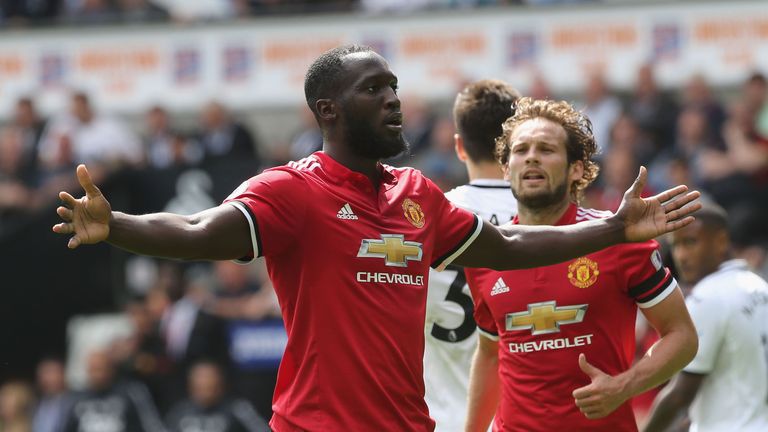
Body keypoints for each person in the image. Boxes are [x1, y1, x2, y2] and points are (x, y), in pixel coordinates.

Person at [53, 45, 700, 431]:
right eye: (374, 90)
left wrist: (612, 228)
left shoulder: (418, 195)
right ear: (328, 111)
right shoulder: (292, 190)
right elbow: (200, 229)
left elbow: (506, 247)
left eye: (394, 87)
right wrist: (119, 227)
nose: (393, 100)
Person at [464, 97, 698, 432]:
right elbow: (490, 353)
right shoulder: (486, 254)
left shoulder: (619, 239)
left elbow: (682, 336)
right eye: (521, 150)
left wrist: (624, 386)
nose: (531, 156)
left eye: (546, 149)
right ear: (506, 168)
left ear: (576, 168)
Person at [423, 79, 519, 431]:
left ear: (460, 147)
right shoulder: (550, 222)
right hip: (526, 419)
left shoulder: (426, 218)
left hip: (443, 418)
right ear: (515, 145)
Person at [643, 204, 768, 432]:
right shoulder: (759, 287)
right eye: (676, 245)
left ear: (721, 241)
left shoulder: (707, 297)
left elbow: (679, 396)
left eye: (690, 242)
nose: (681, 255)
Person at [61, 350, 166, 432]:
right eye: (92, 370)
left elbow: (153, 426)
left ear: (111, 368)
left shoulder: (131, 392)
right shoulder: (77, 398)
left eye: (100, 369)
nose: (96, 375)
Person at [165, 360, 269, 432]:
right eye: (200, 385)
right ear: (190, 386)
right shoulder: (180, 411)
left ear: (220, 385)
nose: (204, 386)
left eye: (209, 385)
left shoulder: (238, 409)